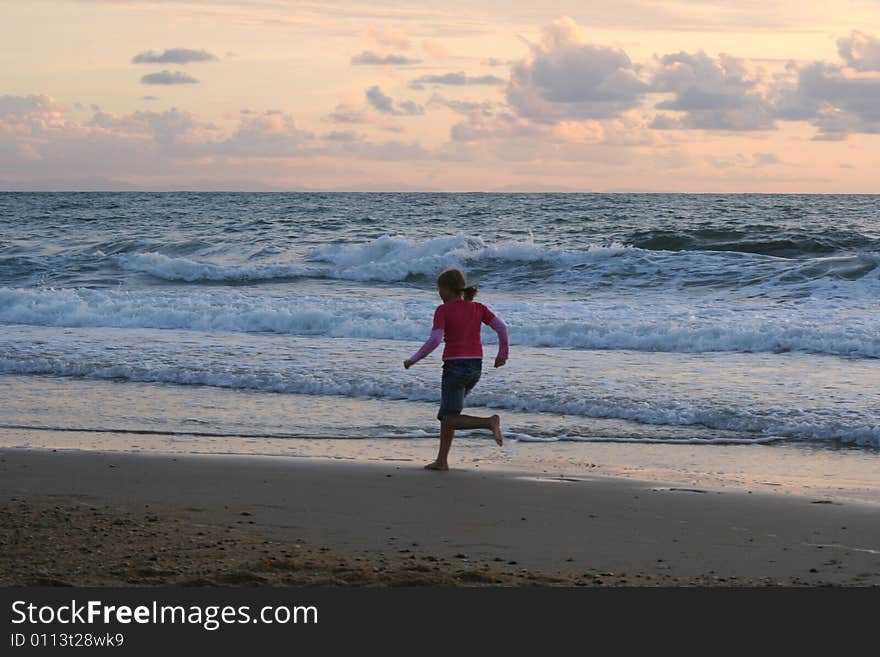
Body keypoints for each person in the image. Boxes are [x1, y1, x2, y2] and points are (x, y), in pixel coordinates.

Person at [404, 268, 509, 471]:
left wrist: (413, 359)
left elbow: (435, 340)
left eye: (439, 290)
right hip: (475, 367)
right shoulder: (478, 308)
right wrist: (502, 355)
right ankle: (442, 461)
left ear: (446, 289)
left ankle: (489, 422)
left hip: (455, 368)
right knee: (449, 412)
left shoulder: (443, 310)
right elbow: (502, 328)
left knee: (448, 417)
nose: (438, 294)